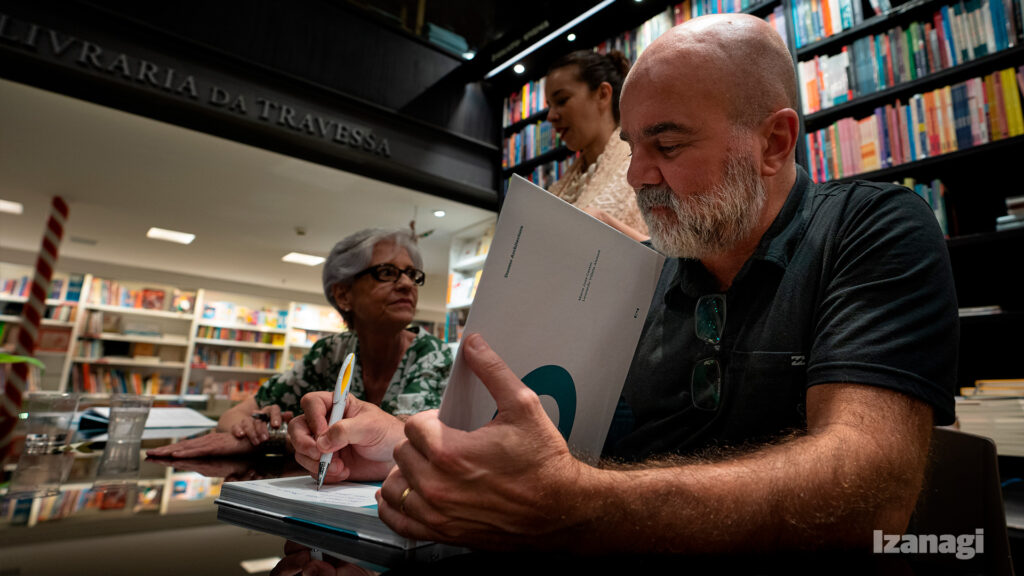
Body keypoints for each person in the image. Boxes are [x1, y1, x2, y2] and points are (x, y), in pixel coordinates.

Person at [293, 13, 958, 555]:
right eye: (633, 147)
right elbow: (538, 437)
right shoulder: (632, 270)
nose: (638, 177)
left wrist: (578, 502)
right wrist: (400, 440)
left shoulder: (872, 229)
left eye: (666, 147)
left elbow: (870, 494)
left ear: (775, 143)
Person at [148, 228, 452, 459]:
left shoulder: (432, 355)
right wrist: (252, 428)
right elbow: (232, 417)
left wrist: (275, 437)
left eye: (412, 274)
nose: (407, 284)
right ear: (344, 295)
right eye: (387, 272)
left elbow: (392, 447)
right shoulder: (331, 353)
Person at [544, 50, 650, 242]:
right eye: (549, 105)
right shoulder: (563, 186)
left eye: (561, 101)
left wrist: (603, 222)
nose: (551, 116)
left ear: (603, 94)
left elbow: (677, 256)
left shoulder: (643, 163)